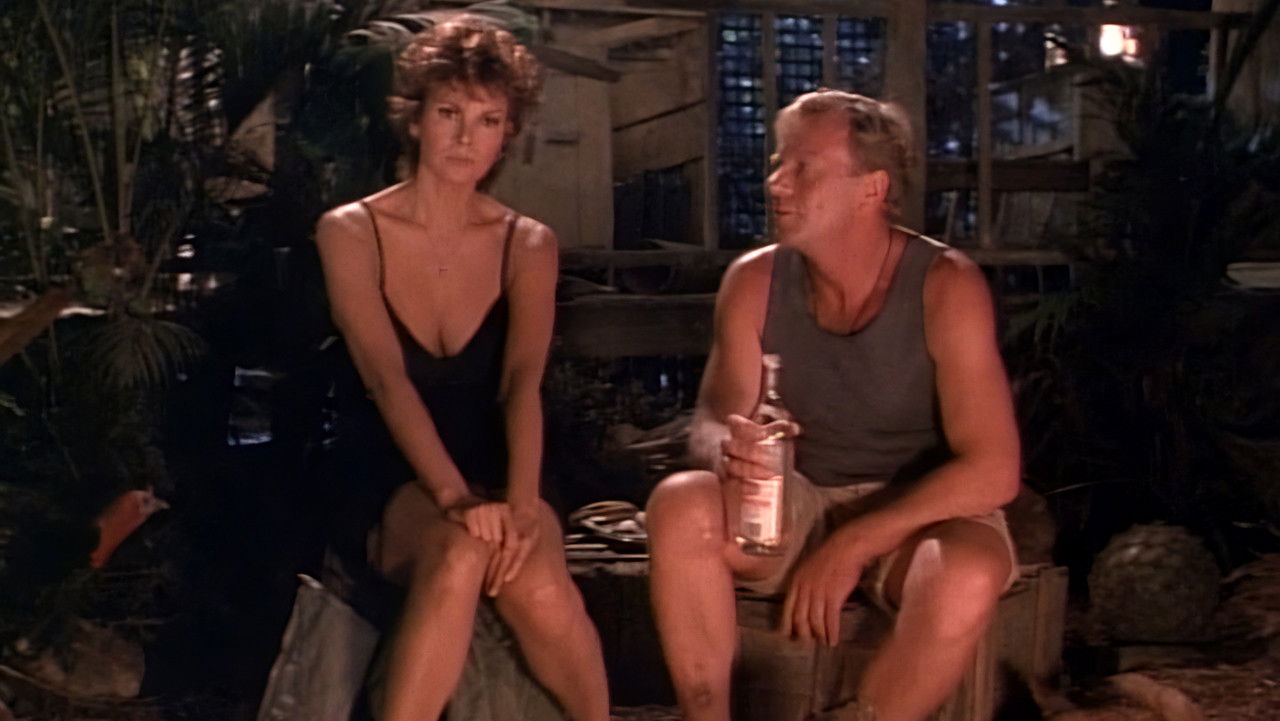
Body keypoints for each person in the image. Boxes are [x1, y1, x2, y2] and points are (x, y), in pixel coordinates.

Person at [646, 90, 1022, 721]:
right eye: (778, 163)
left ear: (871, 189)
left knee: (966, 572)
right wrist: (731, 449)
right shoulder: (754, 281)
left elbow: (994, 469)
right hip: (793, 504)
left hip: (913, 515)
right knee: (681, 502)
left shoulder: (945, 285)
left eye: (803, 168)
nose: (776, 183)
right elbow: (712, 420)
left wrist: (853, 545)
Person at [314, 18, 609, 721]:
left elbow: (521, 384)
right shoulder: (351, 231)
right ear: (416, 119)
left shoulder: (527, 243)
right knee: (458, 554)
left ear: (508, 135)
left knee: (536, 577)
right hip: (389, 468)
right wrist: (456, 501)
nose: (466, 137)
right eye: (449, 112)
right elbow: (385, 379)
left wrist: (523, 505)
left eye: (488, 120)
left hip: (500, 459)